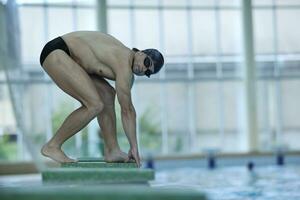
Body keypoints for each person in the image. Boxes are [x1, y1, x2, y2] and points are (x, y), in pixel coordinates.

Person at [39, 31, 164, 167]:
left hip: (73, 59)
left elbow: (127, 108)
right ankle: (52, 146)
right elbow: (127, 110)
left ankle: (112, 150)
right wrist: (134, 147)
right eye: (147, 62)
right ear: (140, 53)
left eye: (147, 72)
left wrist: (133, 145)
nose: (143, 69)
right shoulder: (124, 59)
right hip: (58, 52)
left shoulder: (126, 69)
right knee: (94, 105)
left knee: (107, 95)